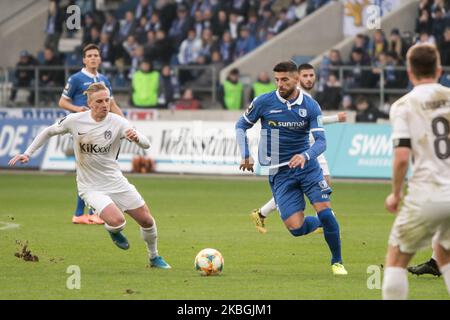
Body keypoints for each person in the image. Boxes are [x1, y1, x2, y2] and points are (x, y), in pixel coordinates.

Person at [9, 83, 171, 269]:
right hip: (90, 187)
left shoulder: (118, 122)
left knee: (147, 220)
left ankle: (154, 258)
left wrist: (137, 138)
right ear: (90, 103)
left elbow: (146, 144)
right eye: (99, 101)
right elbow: (48, 132)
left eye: (107, 100)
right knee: (118, 222)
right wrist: (28, 153)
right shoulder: (75, 120)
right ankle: (113, 230)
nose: (104, 104)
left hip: (115, 181)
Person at [235, 61, 347, 275]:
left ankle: (337, 261)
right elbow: (241, 125)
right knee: (296, 228)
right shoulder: (263, 102)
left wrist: (305, 155)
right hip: (280, 172)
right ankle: (322, 224)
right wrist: (245, 153)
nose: (280, 84)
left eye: (284, 79)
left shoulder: (310, 105)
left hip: (307, 167)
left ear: (296, 80)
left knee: (325, 209)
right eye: (276, 79)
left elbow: (321, 142)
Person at [382, 44, 450, 299]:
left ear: (409, 72)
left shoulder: (404, 105)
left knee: (396, 258)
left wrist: (395, 194)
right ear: (439, 69)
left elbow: (401, 158)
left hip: (427, 194)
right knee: (444, 253)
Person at [250, 63, 346, 234]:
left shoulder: (306, 97)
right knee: (310, 184)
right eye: (305, 76)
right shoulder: (294, 95)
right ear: (297, 78)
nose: (309, 79)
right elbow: (318, 120)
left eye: (311, 75)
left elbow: (315, 121)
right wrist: (336, 118)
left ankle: (263, 213)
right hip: (302, 148)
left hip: (311, 149)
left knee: (325, 183)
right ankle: (321, 220)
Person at [59, 43, 124, 225]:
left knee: (95, 170)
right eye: (90, 56)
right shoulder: (76, 79)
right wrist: (77, 109)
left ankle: (83, 213)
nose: (93, 58)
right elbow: (62, 102)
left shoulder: (103, 79)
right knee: (90, 170)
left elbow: (112, 103)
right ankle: (89, 212)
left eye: (96, 55)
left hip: (103, 129)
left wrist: (126, 124)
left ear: (100, 58)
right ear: (84, 59)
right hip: (83, 129)